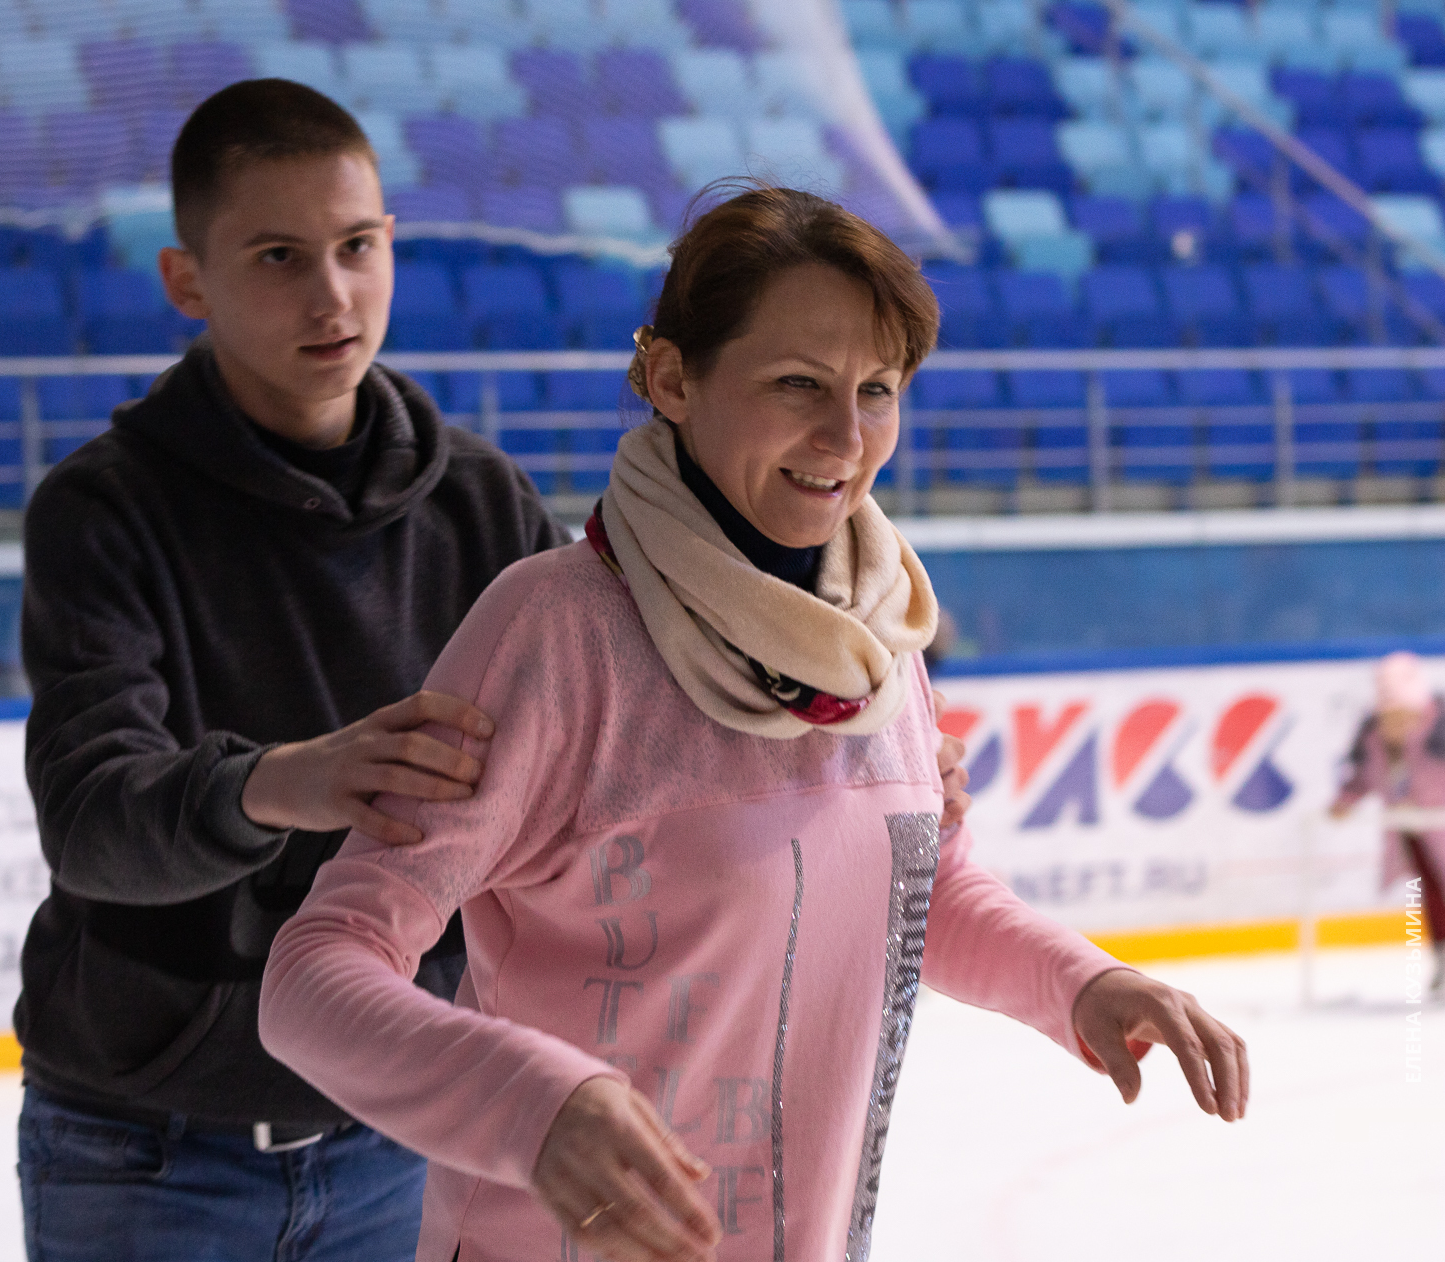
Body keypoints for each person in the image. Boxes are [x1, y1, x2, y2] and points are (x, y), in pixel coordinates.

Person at [12, 81, 977, 1261]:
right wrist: (279, 783)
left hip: (403, 1133)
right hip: (152, 1143)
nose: (332, 294)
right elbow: (90, 818)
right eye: (278, 256)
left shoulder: (476, 499)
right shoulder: (105, 509)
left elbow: (628, 714)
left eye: (357, 246)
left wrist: (861, 762)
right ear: (187, 280)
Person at [259, 186, 1250, 1262]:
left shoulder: (875, 636)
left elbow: (920, 893)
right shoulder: (556, 632)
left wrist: (1085, 982)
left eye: (878, 390)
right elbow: (315, 973)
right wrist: (531, 1103)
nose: (846, 436)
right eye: (798, 383)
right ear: (672, 379)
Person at [1332, 651, 1445, 996]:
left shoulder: (1438, 729)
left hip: (1438, 826)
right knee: (1432, 895)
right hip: (1412, 832)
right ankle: (1442, 957)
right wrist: (1346, 800)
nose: (1397, 721)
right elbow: (1364, 775)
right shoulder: (1373, 736)